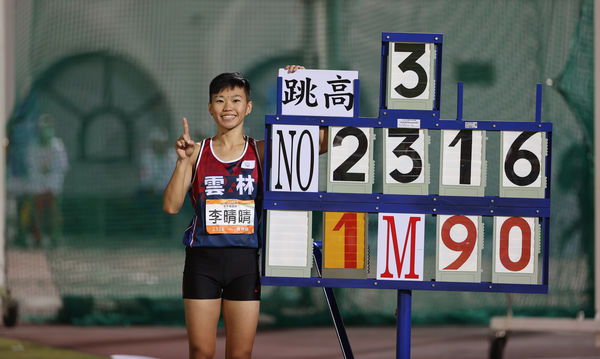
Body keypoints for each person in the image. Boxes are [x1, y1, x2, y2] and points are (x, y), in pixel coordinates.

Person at [163, 65, 325, 359]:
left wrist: (301, 85)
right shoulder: (197, 152)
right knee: (201, 352)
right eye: (220, 100)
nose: (228, 107)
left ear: (248, 107)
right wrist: (182, 162)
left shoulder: (261, 151)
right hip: (203, 262)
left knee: (240, 354)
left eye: (236, 100)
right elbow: (171, 206)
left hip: (244, 262)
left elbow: (324, 141)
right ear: (210, 108)